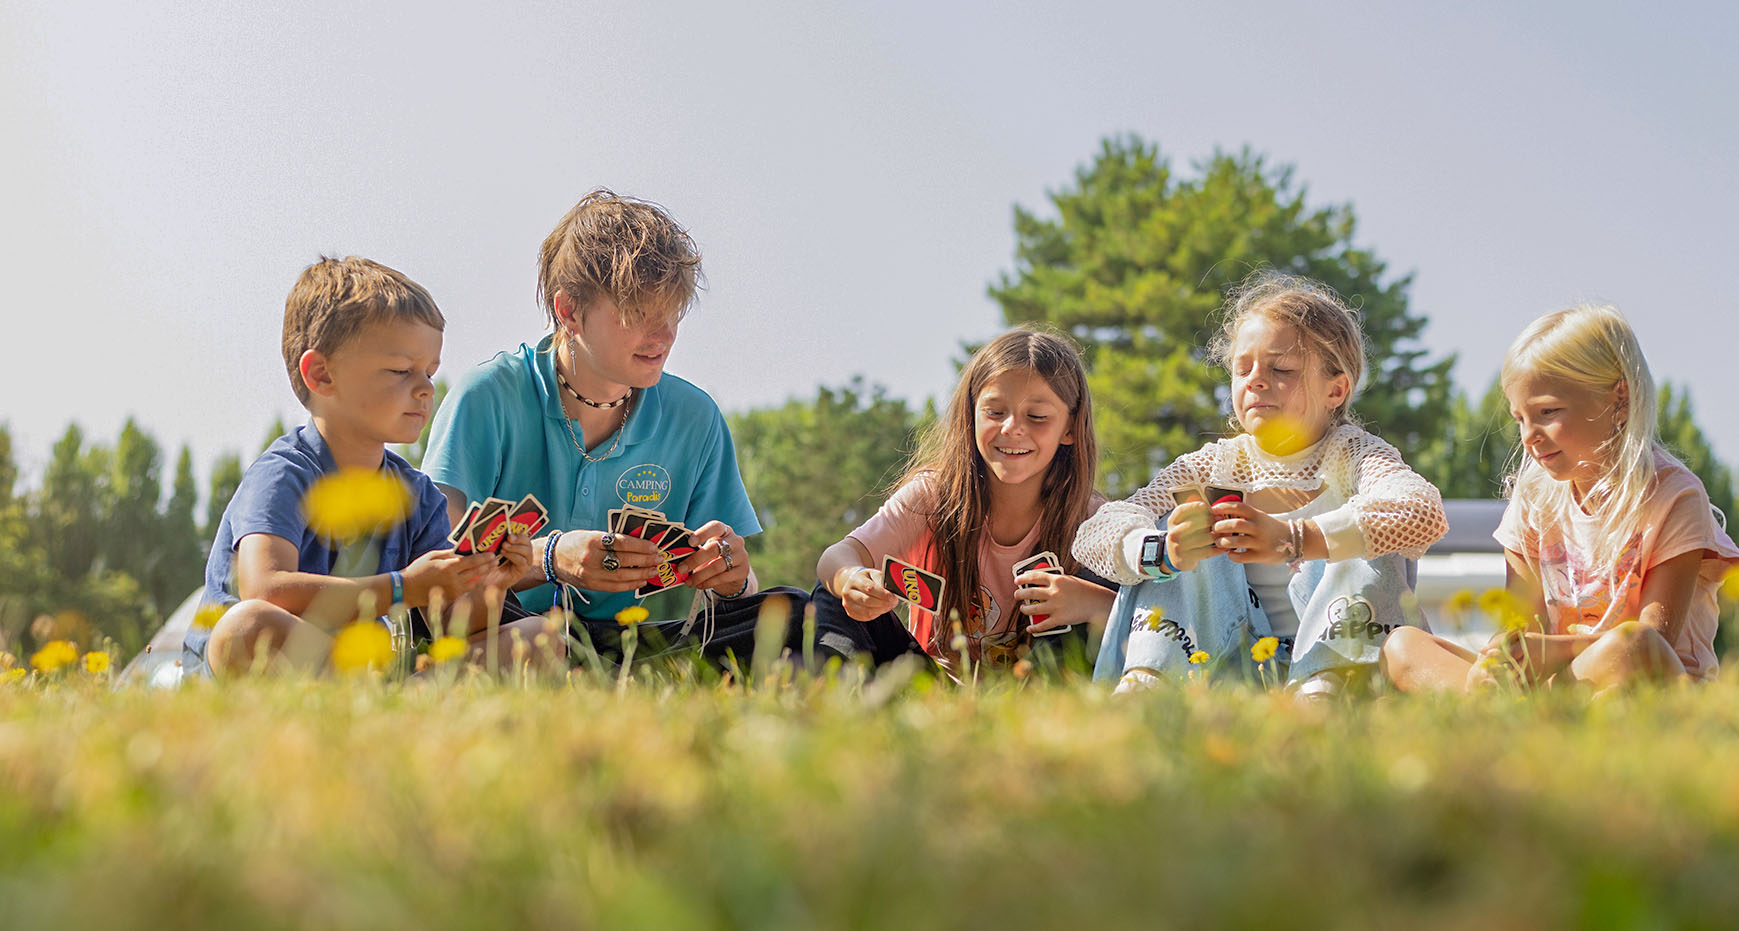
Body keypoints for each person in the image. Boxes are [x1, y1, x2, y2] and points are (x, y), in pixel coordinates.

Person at [422, 190, 807, 669]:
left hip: (627, 644)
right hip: (505, 632)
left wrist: (731, 577)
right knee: (542, 641)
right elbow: (436, 573)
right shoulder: (485, 397)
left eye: (673, 313)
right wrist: (549, 557)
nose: (663, 335)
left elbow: (739, 596)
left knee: (796, 616)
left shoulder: (697, 417)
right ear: (568, 311)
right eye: (640, 314)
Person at [1073, 273, 1449, 695]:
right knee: (1179, 528)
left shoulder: (1355, 455)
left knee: (1368, 527)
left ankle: (1325, 687)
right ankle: (1150, 684)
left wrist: (1295, 537)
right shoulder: (1216, 463)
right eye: (1242, 368)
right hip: (1232, 664)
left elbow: (1421, 510)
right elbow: (1096, 532)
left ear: (1336, 390)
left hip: (1347, 663)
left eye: (1281, 368)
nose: (1255, 380)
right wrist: (1165, 550)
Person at [193, 256, 548, 676]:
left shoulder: (416, 494)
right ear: (322, 375)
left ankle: (395, 705)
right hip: (275, 669)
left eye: (430, 372)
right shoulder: (284, 473)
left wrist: (491, 582)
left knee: (539, 638)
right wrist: (404, 588)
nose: (424, 390)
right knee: (246, 627)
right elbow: (265, 588)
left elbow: (450, 623)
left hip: (366, 673)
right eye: (401, 371)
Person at [1380, 304, 1739, 692]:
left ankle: (1498, 714)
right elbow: (1521, 627)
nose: (1528, 436)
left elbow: (1656, 640)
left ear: (1618, 399)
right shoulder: (1536, 498)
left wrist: (1556, 651)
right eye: (1520, 418)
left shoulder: (1673, 495)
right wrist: (1505, 655)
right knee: (1401, 645)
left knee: (1632, 645)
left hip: (1648, 684)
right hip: (1559, 683)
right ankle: (1493, 705)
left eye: (1548, 411)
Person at [812, 328, 1114, 678]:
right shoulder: (934, 495)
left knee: (1096, 617)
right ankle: (830, 700)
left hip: (1031, 694)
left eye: (1037, 417)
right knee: (832, 589)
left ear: (1070, 428)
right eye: (995, 412)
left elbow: (1154, 617)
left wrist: (1097, 604)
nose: (1012, 428)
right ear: (971, 416)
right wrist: (854, 579)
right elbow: (835, 556)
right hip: (931, 687)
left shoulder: (1091, 517)